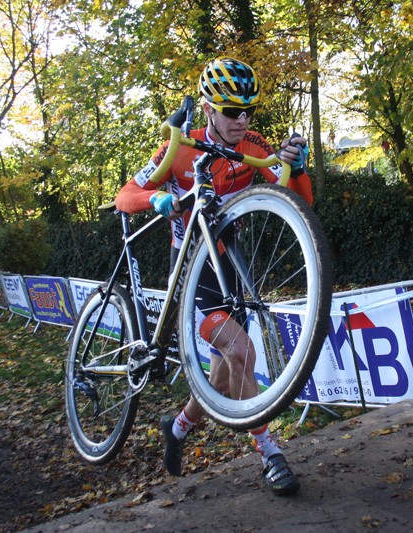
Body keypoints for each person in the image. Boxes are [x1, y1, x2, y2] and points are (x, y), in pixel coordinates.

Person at [115, 57, 313, 496]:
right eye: (231, 111)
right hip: (192, 271)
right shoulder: (180, 147)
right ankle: (270, 453)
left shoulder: (255, 145)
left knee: (231, 368)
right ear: (208, 109)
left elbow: (300, 202)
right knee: (240, 351)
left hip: (232, 267)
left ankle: (178, 426)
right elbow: (125, 194)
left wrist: (295, 168)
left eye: (248, 111)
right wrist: (156, 201)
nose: (242, 121)